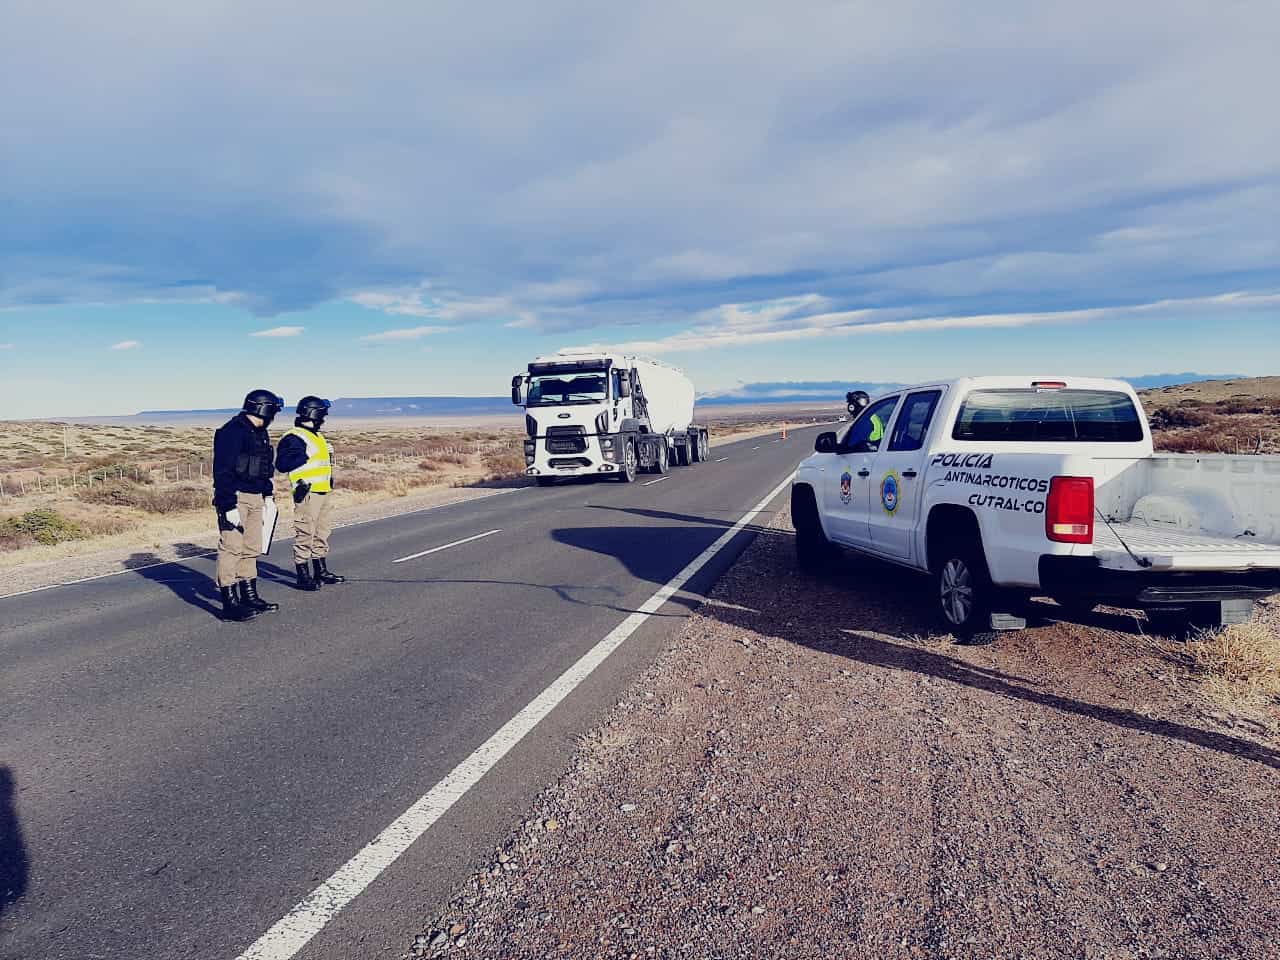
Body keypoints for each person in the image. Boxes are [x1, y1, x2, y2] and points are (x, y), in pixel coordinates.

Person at [212, 390, 284, 621]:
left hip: (256, 497)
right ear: (263, 408)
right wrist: (227, 505)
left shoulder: (260, 432)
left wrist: (268, 495)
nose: (274, 415)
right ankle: (229, 604)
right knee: (232, 548)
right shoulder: (232, 431)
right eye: (273, 410)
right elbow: (222, 471)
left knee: (251, 548)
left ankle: (249, 596)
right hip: (236, 497)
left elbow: (264, 467)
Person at [275, 395, 345, 590]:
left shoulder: (317, 436)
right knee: (305, 533)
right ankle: (303, 575)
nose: (324, 418)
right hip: (307, 493)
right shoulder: (294, 437)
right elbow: (281, 464)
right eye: (322, 414)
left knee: (322, 533)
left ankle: (321, 571)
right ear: (314, 414)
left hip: (323, 491)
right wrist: (303, 456)